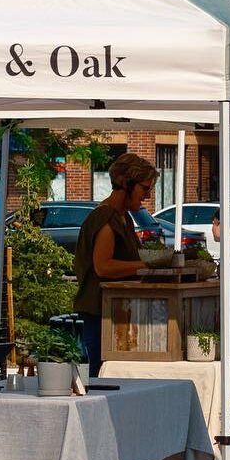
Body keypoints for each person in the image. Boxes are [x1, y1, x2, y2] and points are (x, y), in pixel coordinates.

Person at [75, 154, 154, 375]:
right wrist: (146, 265)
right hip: (99, 314)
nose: (147, 196)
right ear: (127, 184)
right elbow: (103, 266)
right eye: (144, 189)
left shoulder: (124, 217)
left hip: (115, 312)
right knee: (99, 377)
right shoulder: (106, 218)